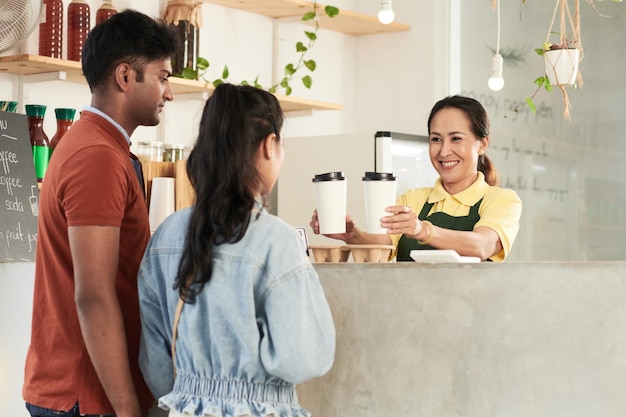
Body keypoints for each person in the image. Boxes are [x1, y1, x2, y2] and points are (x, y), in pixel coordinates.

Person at [137, 83, 336, 417]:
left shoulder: (167, 235)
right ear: (269, 145)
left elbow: (155, 361)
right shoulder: (276, 240)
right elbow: (302, 358)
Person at [22, 10, 178, 417]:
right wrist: (128, 410)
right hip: (86, 394)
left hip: (81, 390)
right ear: (126, 77)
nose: (170, 92)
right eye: (162, 77)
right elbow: (94, 297)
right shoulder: (98, 157)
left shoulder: (98, 146)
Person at [310, 95, 522, 262]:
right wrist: (351, 235)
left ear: (482, 144)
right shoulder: (412, 199)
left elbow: (481, 246)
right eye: (436, 139)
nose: (444, 151)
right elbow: (382, 245)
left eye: (456, 139)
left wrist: (421, 230)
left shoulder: (501, 200)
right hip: (410, 311)